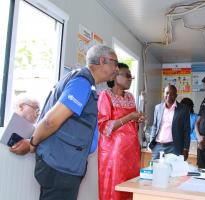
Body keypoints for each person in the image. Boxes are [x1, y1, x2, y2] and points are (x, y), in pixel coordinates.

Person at [27, 44, 118, 200]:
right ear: (102, 60)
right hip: (60, 167)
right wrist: (33, 143)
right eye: (115, 63)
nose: (116, 69)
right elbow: (51, 121)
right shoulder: (82, 82)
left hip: (66, 165)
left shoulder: (87, 84)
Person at [97, 63, 144, 200]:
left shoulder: (130, 97)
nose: (130, 79)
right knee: (115, 187)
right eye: (127, 75)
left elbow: (132, 126)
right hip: (114, 152)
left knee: (131, 186)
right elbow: (104, 126)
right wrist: (130, 117)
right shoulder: (105, 95)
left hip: (132, 150)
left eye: (131, 76)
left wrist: (137, 120)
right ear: (115, 76)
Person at [149, 85, 190, 160]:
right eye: (167, 93)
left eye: (172, 93)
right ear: (164, 94)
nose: (169, 95)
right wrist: (151, 140)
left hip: (174, 147)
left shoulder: (183, 109)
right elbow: (155, 126)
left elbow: (187, 131)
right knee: (155, 170)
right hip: (158, 146)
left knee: (173, 170)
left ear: (176, 95)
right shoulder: (158, 108)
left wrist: (186, 148)